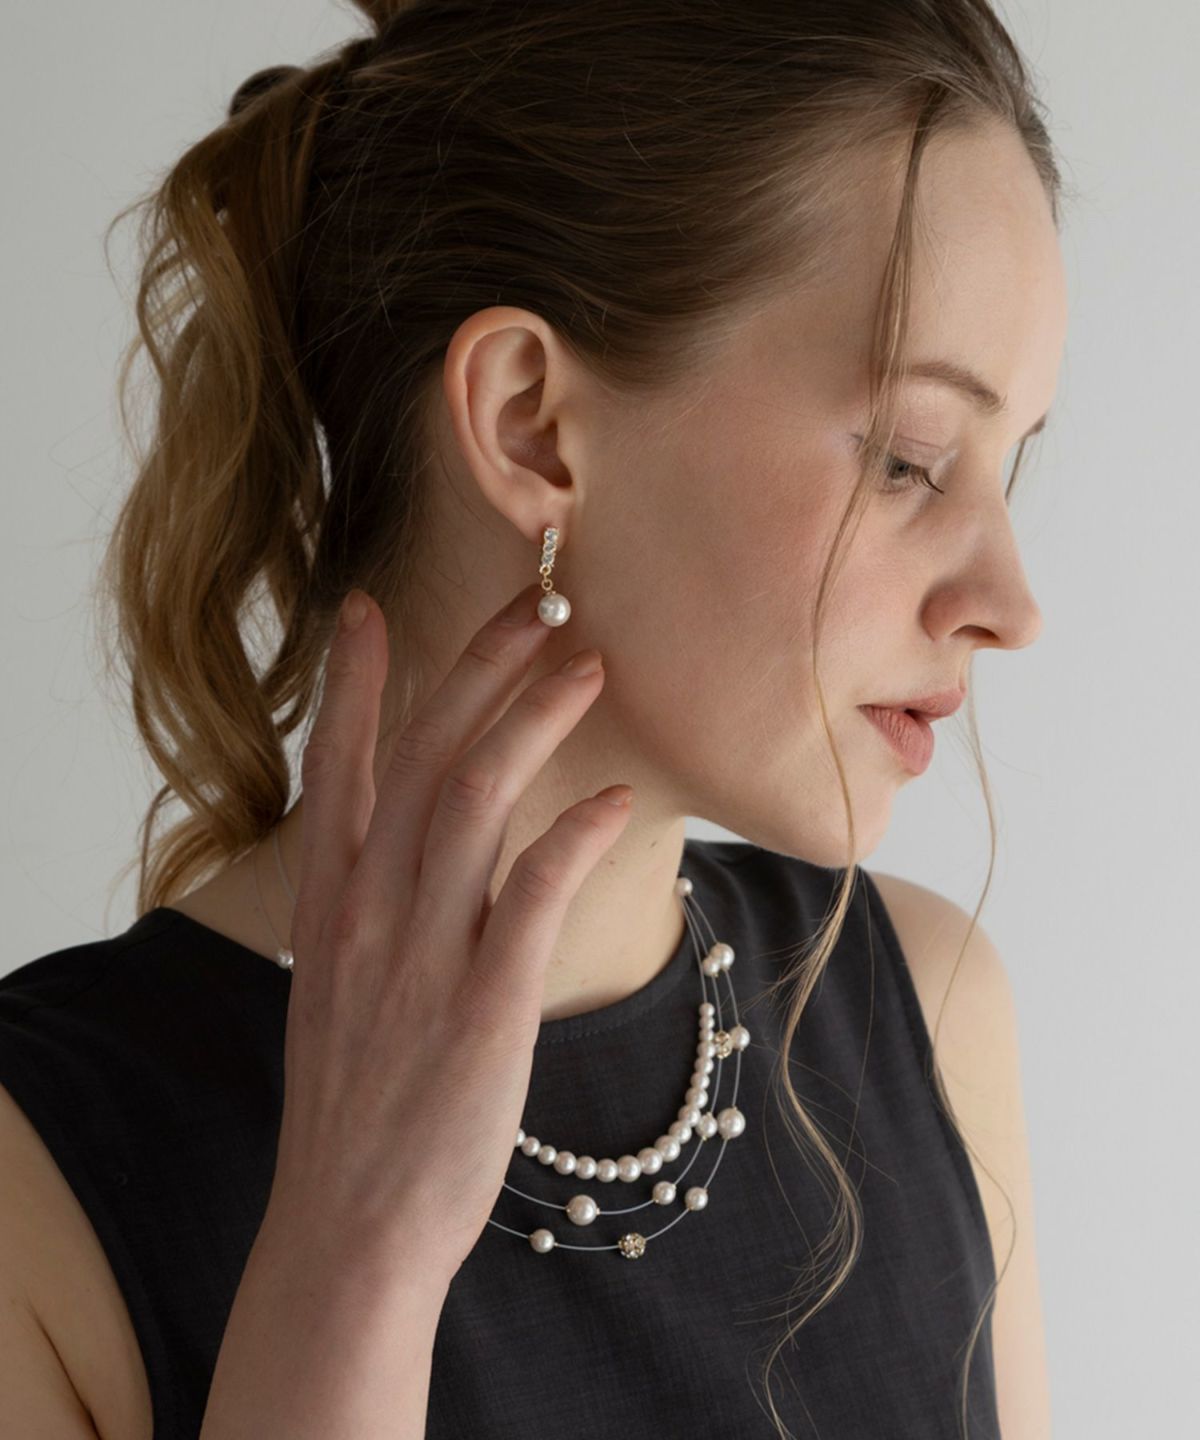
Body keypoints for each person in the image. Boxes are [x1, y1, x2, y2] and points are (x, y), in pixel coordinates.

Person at [0, 2, 1066, 1436]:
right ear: (529, 425)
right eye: (911, 458)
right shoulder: (34, 1186)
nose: (1011, 603)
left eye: (1010, 465)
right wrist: (355, 1264)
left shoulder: (928, 1018)